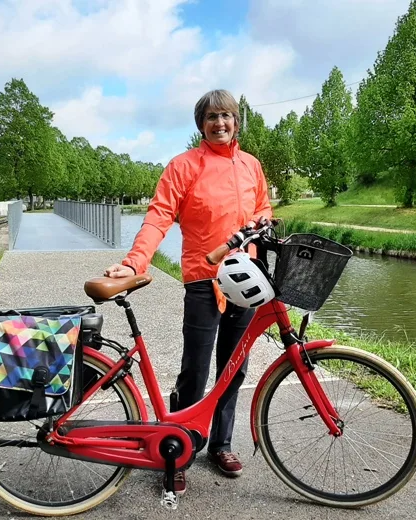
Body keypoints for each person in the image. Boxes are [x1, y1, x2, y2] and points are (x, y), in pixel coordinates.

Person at [104, 89, 272, 496]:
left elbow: (263, 208)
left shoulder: (251, 165)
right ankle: (179, 448)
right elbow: (159, 215)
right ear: (201, 123)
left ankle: (221, 444)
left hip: (245, 278)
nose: (220, 123)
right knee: (194, 369)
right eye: (212, 117)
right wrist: (135, 262)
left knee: (235, 367)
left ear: (237, 121)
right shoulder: (184, 166)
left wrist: (263, 224)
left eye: (227, 116)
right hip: (203, 279)